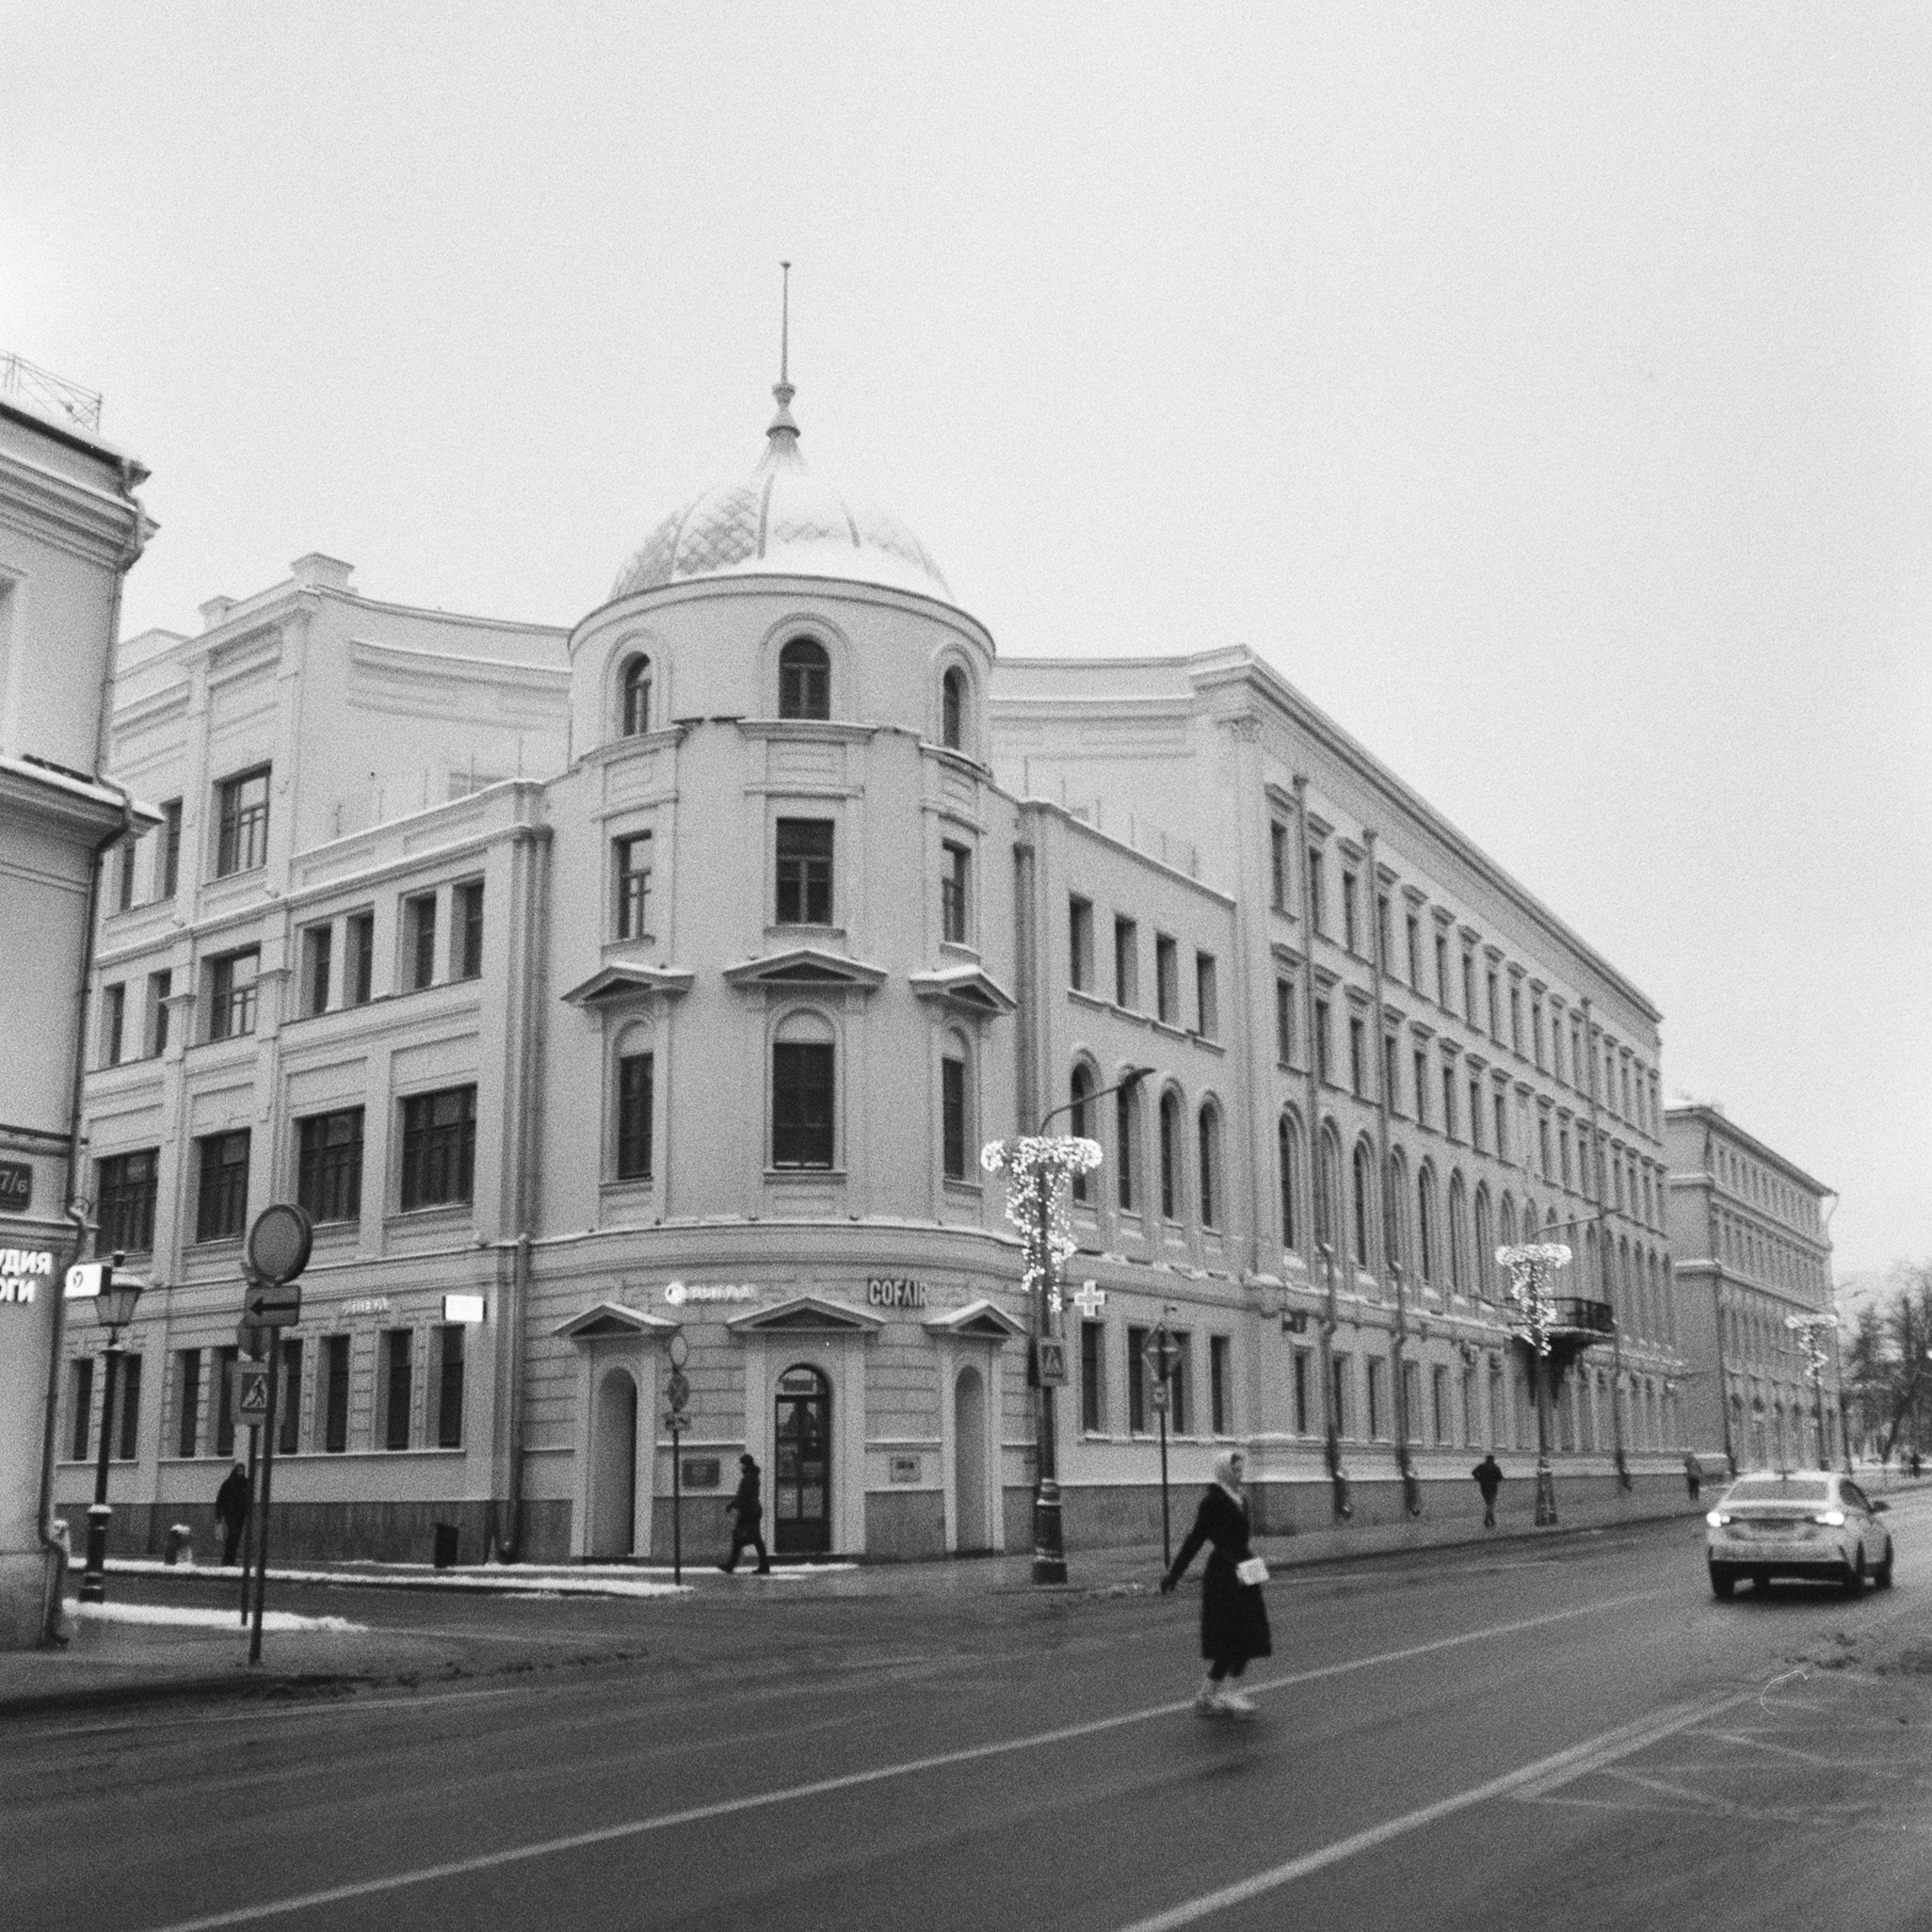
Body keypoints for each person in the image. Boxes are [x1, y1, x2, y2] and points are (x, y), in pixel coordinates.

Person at [1160, 1448, 1271, 1715]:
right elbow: (1195, 1539)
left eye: (1241, 1469)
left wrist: (1255, 1566)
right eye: (1235, 1470)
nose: (1240, 1474)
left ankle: (1207, 1696)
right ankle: (1232, 1693)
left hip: (1244, 1569)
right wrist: (1175, 1574)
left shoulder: (1241, 1499)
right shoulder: (1213, 1502)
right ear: (1223, 1472)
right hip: (1223, 1574)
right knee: (1235, 1632)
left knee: (1246, 1631)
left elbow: (1242, 1539)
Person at [719, 1454, 770, 1574]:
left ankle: (731, 1565)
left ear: (745, 1464)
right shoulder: (752, 1476)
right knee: (752, 1539)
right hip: (752, 1510)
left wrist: (732, 1505)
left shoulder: (748, 1478)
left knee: (745, 1538)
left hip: (749, 1512)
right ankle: (763, 1566)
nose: (740, 1466)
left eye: (741, 1464)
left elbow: (744, 1496)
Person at [215, 1461, 250, 1567]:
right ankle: (227, 1560)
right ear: (235, 1471)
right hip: (229, 1514)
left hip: (240, 1514)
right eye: (239, 1470)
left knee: (236, 1537)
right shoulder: (228, 1483)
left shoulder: (246, 1483)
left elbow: (248, 1499)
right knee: (233, 1534)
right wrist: (218, 1513)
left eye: (242, 1470)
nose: (241, 1473)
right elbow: (220, 1499)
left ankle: (231, 1560)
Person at [1472, 1452, 1503, 1528]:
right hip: (1493, 1488)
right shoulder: (1495, 1467)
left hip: (1484, 1488)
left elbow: (1473, 1472)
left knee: (1489, 1504)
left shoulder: (1482, 1466)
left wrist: (1479, 1479)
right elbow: (1500, 1478)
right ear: (1493, 1460)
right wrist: (1495, 1480)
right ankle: (1486, 1520)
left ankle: (1492, 1521)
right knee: (1490, 1505)